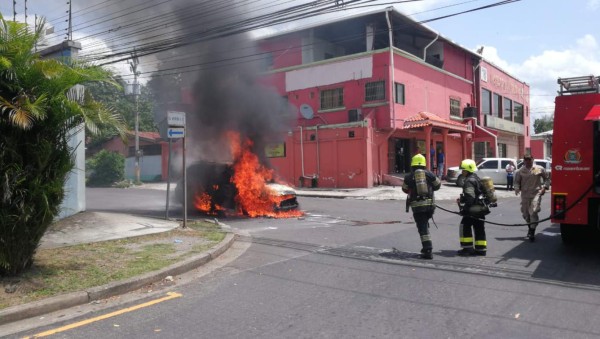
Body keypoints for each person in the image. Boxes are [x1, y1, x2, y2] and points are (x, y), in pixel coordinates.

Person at [402, 154, 441, 259]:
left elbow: (404, 189)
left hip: (418, 207)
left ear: (413, 164)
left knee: (422, 228)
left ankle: (428, 250)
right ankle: (426, 248)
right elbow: (438, 185)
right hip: (430, 206)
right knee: (424, 225)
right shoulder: (430, 174)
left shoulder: (409, 176)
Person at [514, 154, 550, 242]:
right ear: (524, 160)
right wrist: (517, 188)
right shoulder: (520, 171)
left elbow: (547, 179)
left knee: (533, 211)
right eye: (526, 160)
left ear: (532, 159)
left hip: (536, 193)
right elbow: (516, 182)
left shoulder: (539, 169)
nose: (528, 161)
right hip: (525, 195)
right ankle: (530, 228)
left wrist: (544, 188)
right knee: (525, 214)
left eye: (529, 159)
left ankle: (532, 232)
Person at [456, 159, 488, 256]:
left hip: (473, 209)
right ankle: (481, 249)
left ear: (468, 170)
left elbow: (470, 198)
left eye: (463, 170)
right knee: (479, 228)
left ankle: (467, 248)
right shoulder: (477, 178)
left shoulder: (469, 181)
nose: (462, 172)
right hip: (481, 208)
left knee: (464, 226)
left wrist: (464, 210)